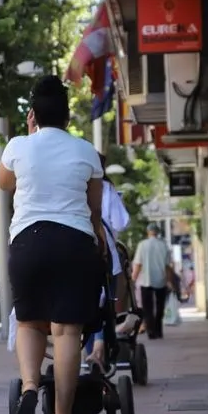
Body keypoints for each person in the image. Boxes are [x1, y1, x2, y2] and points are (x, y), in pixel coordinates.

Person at [0, 75, 105, 414]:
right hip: (74, 242)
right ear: (67, 116)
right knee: (66, 330)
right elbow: (94, 208)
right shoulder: (86, 151)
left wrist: (30, 136)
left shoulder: (19, 146)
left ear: (33, 115)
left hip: (28, 242)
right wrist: (98, 241)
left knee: (29, 323)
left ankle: (30, 385)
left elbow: (5, 182)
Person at [85, 154, 131, 368]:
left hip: (75, 250)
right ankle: (101, 349)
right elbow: (121, 222)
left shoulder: (72, 185)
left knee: (85, 306)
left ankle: (91, 356)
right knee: (105, 303)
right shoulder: (106, 188)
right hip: (105, 251)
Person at [132, 223, 174, 339]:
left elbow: (138, 264)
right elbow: (167, 266)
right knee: (160, 306)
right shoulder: (163, 245)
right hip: (161, 280)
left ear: (148, 232)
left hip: (146, 280)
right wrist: (170, 281)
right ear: (158, 232)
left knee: (147, 308)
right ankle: (158, 330)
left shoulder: (142, 245)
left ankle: (151, 331)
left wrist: (133, 279)